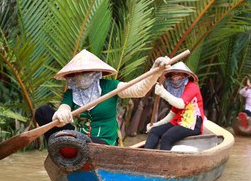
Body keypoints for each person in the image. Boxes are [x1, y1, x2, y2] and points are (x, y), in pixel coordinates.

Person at [39, 49, 170, 145]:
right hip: (77, 138)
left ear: (94, 72)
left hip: (103, 142)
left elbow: (139, 90)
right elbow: (64, 108)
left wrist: (156, 70)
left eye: (85, 72)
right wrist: (62, 113)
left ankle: (70, 143)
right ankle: (60, 146)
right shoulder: (72, 92)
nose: (80, 76)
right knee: (42, 112)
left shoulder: (110, 87)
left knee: (81, 141)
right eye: (77, 73)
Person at [144, 62, 204, 150]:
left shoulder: (192, 87)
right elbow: (172, 114)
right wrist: (156, 125)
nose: (175, 76)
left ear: (185, 75)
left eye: (179, 74)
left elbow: (180, 104)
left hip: (192, 123)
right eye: (173, 74)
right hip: (178, 122)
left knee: (166, 137)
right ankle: (145, 156)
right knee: (154, 131)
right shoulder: (177, 90)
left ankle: (165, 163)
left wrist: (162, 92)